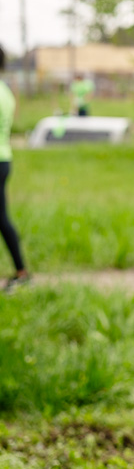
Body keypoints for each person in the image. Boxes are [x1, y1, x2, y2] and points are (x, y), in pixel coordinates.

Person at [0, 46, 30, 292]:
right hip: (4, 158)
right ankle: (21, 271)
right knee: (2, 218)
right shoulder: (6, 92)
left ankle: (22, 272)